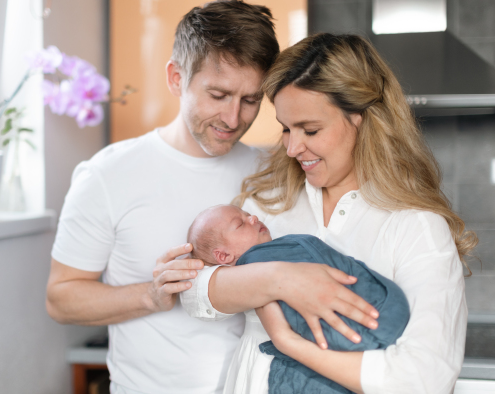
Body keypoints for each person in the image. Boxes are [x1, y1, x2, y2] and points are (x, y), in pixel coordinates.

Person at [46, 2, 378, 393]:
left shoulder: (278, 168)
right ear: (175, 77)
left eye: (251, 100)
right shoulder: (107, 174)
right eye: (218, 94)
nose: (233, 118)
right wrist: (151, 296)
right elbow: (61, 299)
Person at [181, 33, 477, 394]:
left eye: (310, 129)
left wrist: (291, 345)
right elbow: (193, 292)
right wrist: (279, 278)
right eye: (286, 128)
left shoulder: (415, 226)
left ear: (362, 119)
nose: (291, 147)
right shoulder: (267, 203)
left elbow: (424, 379)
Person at [185, 204, 409, 393]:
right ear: (223, 256)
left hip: (362, 346)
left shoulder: (276, 250)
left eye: (247, 214)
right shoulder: (256, 259)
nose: (252, 217)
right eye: (241, 223)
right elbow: (192, 287)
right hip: (355, 341)